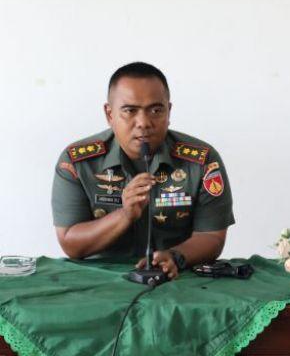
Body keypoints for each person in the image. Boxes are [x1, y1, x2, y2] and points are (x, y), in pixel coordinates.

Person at [52, 62, 234, 279]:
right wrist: (125, 215)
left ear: (169, 112)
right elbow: (71, 243)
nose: (143, 123)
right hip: (101, 279)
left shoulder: (202, 161)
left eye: (156, 110)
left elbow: (212, 236)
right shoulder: (77, 162)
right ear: (109, 114)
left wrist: (176, 257)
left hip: (176, 278)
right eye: (130, 111)